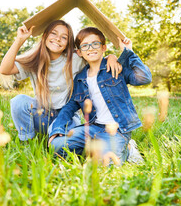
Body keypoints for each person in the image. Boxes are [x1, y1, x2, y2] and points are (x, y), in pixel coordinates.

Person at [0, 20, 121, 141]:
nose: (58, 39)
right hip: (42, 114)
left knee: (62, 143)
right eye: (54, 33)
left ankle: (56, 136)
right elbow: (5, 69)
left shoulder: (74, 59)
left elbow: (95, 57)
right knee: (19, 101)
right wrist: (19, 40)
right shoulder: (34, 60)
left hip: (67, 116)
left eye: (64, 37)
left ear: (68, 43)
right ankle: (27, 141)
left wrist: (111, 57)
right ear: (45, 35)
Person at [48, 27, 152, 164]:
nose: (90, 48)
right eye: (85, 46)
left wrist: (128, 52)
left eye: (95, 44)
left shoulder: (116, 68)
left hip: (117, 129)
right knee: (56, 146)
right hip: (93, 128)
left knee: (105, 164)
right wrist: (57, 129)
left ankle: (128, 149)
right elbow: (70, 106)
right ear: (79, 52)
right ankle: (94, 148)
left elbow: (144, 78)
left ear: (103, 47)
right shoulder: (80, 78)